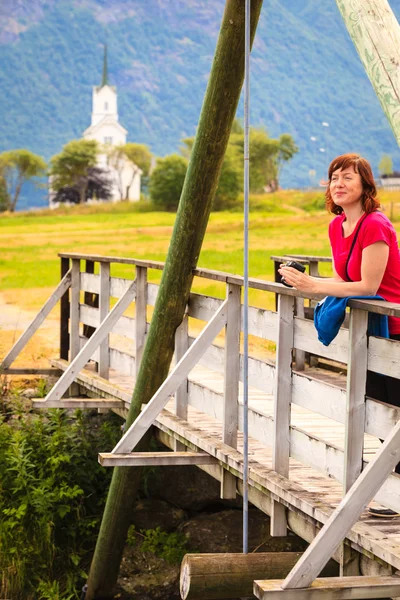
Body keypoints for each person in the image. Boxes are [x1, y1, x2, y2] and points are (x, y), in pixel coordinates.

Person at [279, 153, 400, 517]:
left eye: (348, 177)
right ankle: (393, 493)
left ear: (365, 185)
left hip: (394, 327)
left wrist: (315, 285)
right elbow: (348, 282)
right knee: (378, 410)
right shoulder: (337, 228)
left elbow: (368, 284)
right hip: (370, 329)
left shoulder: (376, 224)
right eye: (334, 178)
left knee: (394, 409)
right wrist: (307, 283)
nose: (339, 184)